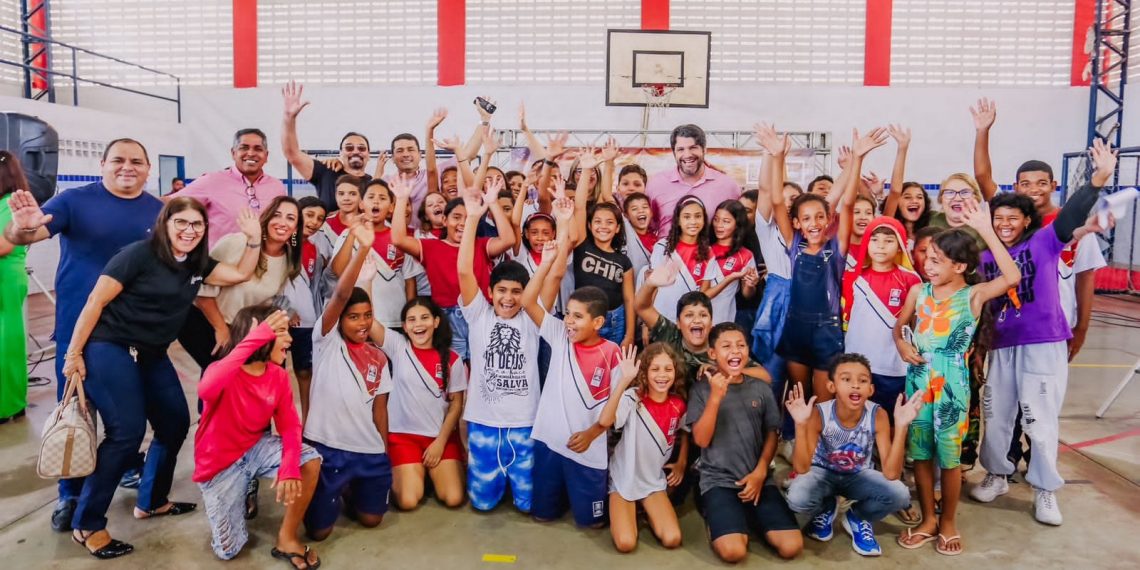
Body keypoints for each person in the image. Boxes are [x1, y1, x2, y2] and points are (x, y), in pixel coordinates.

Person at [58, 197, 262, 558]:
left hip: (152, 353)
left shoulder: (196, 265)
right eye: (181, 223)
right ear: (166, 224)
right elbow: (95, 301)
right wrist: (74, 354)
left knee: (174, 423)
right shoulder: (138, 255)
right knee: (126, 433)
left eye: (196, 225)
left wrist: (253, 238)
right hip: (111, 346)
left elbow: (241, 274)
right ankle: (87, 522)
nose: (189, 230)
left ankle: (151, 501)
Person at [1, 138, 164, 532]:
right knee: (77, 412)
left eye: (137, 161)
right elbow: (28, 235)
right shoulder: (74, 202)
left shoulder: (159, 210)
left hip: (134, 333)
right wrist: (21, 228)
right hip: (80, 331)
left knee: (128, 416)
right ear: (102, 163)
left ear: (147, 168)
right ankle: (69, 494)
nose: (128, 167)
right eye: (119, 160)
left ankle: (125, 467)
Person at [969, 141, 1114, 526]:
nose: (1005, 224)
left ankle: (1045, 489)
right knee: (997, 415)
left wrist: (1098, 178)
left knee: (1040, 418)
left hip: (1043, 343)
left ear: (1027, 221)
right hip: (1002, 344)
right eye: (999, 218)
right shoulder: (985, 257)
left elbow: (1072, 217)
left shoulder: (1045, 241)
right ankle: (998, 473)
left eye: (1013, 218)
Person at [893, 199, 1020, 556]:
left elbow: (1012, 277)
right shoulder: (919, 292)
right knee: (920, 452)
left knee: (948, 455)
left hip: (952, 383)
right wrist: (902, 345)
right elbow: (901, 326)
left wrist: (985, 230)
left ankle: (947, 521)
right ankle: (928, 520)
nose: (927, 265)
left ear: (960, 266)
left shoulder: (973, 295)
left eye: (936, 260)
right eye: (926, 258)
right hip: (918, 378)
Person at [456, 189, 565, 514]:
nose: (508, 298)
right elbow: (464, 271)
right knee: (483, 503)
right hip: (484, 424)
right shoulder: (478, 314)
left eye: (517, 292)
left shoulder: (533, 318)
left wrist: (548, 259)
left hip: (525, 424)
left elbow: (556, 276)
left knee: (527, 504)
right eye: (501, 291)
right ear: (489, 292)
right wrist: (474, 216)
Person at [194, 307, 322, 567]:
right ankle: (236, 497)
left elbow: (290, 427)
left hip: (254, 448)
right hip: (219, 465)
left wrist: (288, 469)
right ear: (259, 338)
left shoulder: (277, 376)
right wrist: (253, 340)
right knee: (228, 551)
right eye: (282, 333)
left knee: (309, 460)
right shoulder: (223, 371)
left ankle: (287, 538)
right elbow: (206, 389)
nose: (289, 340)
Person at [303, 220, 393, 541]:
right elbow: (341, 294)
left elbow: (380, 411)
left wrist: (384, 451)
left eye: (367, 315)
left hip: (368, 449)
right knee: (319, 533)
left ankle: (354, 489)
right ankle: (334, 492)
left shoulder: (378, 357)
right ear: (338, 319)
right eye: (354, 317)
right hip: (329, 449)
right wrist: (364, 248)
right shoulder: (326, 341)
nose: (363, 323)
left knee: (371, 520)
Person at [522, 242, 623, 527]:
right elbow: (528, 302)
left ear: (598, 322)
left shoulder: (613, 352)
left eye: (578, 316)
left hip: (587, 449)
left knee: (592, 522)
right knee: (542, 516)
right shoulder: (559, 334)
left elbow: (614, 409)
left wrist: (593, 433)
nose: (569, 321)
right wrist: (546, 262)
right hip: (550, 443)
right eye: (567, 313)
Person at [784, 354, 920, 557]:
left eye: (863, 381)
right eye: (846, 379)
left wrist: (901, 426)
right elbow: (801, 468)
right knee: (797, 497)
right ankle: (826, 508)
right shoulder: (819, 413)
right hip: (822, 474)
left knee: (900, 494)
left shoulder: (878, 414)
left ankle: (857, 517)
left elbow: (891, 474)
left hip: (858, 476)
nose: (855, 386)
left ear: (871, 389)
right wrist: (801, 425)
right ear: (832, 386)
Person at [688, 322, 802, 562]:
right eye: (726, 346)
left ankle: (748, 517)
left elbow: (772, 432)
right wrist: (716, 398)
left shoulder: (760, 388)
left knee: (791, 547)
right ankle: (715, 511)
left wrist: (761, 472)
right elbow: (701, 439)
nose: (735, 351)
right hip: (718, 480)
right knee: (734, 552)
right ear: (712, 354)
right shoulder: (701, 390)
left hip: (758, 478)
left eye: (741, 345)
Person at [391, 169, 515, 361]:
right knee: (454, 373)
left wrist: (492, 203)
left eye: (468, 217)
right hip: (447, 317)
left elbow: (508, 240)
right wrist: (401, 200)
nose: (463, 223)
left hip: (481, 315)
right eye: (456, 217)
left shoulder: (481, 245)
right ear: (444, 220)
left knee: (483, 367)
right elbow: (398, 239)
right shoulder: (431, 247)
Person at [179, 196, 303, 371]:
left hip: (243, 328)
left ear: (296, 228)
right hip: (205, 321)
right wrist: (221, 329)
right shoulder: (236, 242)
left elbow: (267, 300)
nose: (282, 222)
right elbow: (201, 292)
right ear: (267, 217)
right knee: (218, 378)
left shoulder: (288, 259)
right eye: (277, 215)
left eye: (290, 218)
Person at [374, 297, 467, 510]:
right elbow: (371, 324)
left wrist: (440, 443)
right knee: (408, 501)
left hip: (439, 438)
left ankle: (428, 472)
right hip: (403, 438)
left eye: (425, 318)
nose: (418, 324)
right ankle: (415, 473)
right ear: (405, 327)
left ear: (436, 322)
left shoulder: (453, 359)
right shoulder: (398, 347)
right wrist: (368, 280)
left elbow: (456, 405)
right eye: (412, 320)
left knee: (454, 498)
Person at [599, 342, 688, 553]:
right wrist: (625, 380)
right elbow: (605, 420)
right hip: (624, 478)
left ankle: (645, 507)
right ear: (645, 373)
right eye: (655, 369)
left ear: (676, 372)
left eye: (668, 368)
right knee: (626, 543)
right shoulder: (633, 397)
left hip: (652, 481)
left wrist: (682, 463)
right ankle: (631, 506)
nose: (662, 375)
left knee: (673, 538)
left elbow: (685, 431)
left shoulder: (679, 403)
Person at [331, 179, 422, 329]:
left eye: (382, 198)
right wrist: (353, 233)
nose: (376, 202)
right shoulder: (348, 234)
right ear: (361, 204)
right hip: (360, 320)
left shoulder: (399, 237)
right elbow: (338, 270)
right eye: (371, 197)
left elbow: (409, 281)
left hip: (395, 319)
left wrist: (410, 317)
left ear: (392, 207)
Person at [176, 128, 287, 249]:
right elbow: (170, 203)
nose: (250, 153)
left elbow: (286, 224)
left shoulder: (277, 187)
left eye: (258, 149)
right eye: (244, 147)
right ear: (233, 153)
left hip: (263, 262)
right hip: (220, 263)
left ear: (266, 156)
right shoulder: (212, 181)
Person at [568, 159, 635, 347]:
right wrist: (588, 168)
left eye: (609, 222)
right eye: (597, 221)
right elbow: (580, 206)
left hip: (615, 320)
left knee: (611, 371)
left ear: (617, 228)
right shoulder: (582, 245)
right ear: (589, 225)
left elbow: (630, 299)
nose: (603, 226)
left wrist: (629, 334)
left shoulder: (624, 261)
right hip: (584, 318)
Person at [281, 81, 372, 211]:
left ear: (368, 155)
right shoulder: (326, 172)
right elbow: (292, 153)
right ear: (340, 153)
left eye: (361, 148)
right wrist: (289, 119)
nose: (356, 151)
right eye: (349, 148)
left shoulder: (372, 185)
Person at [282, 196, 330, 422]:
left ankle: (307, 426)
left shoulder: (315, 247)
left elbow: (317, 286)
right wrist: (284, 309)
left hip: (307, 322)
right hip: (278, 320)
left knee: (304, 372)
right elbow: (270, 284)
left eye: (320, 218)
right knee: (275, 375)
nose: (314, 222)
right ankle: (277, 427)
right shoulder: (281, 242)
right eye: (309, 215)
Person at [646, 124, 742, 238]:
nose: (687, 155)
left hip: (711, 254)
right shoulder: (656, 184)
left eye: (693, 147)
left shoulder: (728, 185)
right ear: (674, 153)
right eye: (681, 149)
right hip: (666, 254)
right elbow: (648, 227)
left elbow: (740, 226)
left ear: (704, 149)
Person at [648, 197, 720, 322]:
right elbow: (652, 286)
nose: (693, 221)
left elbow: (702, 296)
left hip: (688, 322)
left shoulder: (708, 253)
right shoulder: (663, 246)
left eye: (698, 216)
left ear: (704, 220)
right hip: (660, 318)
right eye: (686, 217)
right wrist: (646, 323)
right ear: (678, 221)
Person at [0, 151, 29, 424]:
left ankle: (8, 404)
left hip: (5, 277)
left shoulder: (10, 204)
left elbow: (5, 245)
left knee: (5, 342)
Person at [705, 200, 760, 325]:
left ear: (738, 224)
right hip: (697, 315)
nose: (718, 225)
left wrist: (750, 285)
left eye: (726, 221)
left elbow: (747, 295)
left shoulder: (745, 255)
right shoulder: (704, 249)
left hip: (724, 317)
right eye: (716, 219)